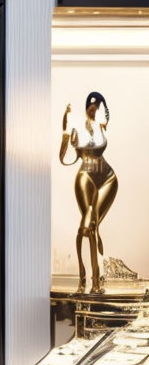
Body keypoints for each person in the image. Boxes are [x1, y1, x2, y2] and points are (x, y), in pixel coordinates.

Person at [60, 92, 117, 294]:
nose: (96, 109)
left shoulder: (102, 128)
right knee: (87, 226)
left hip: (108, 178)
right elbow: (65, 158)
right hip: (85, 176)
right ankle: (84, 280)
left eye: (100, 106)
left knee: (94, 226)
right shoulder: (76, 126)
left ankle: (97, 282)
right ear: (87, 107)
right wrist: (66, 130)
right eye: (92, 106)